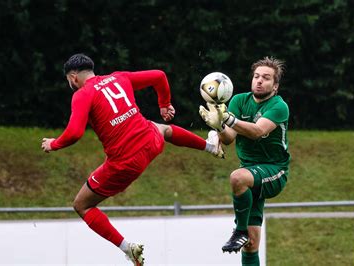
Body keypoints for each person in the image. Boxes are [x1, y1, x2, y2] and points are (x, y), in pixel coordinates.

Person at [41, 53, 223, 266]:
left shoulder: (82, 94)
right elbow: (159, 76)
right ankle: (211, 147)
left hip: (124, 163)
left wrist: (53, 144)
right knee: (163, 129)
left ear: (73, 77)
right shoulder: (119, 77)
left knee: (82, 205)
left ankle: (128, 248)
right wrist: (164, 104)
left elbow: (74, 133)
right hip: (150, 142)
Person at [199, 56, 290, 266]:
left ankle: (239, 230)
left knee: (237, 177)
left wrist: (227, 119)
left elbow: (257, 131)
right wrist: (220, 128)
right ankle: (243, 234)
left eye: (266, 78)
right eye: (256, 76)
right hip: (251, 171)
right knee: (251, 243)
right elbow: (229, 139)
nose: (259, 81)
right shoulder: (239, 100)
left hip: (275, 171)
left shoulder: (279, 106)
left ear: (275, 86)